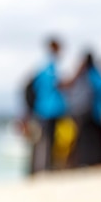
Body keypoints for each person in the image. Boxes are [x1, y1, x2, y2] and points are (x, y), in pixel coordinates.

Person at [63, 52, 101, 168]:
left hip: (86, 112)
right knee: (95, 139)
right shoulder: (95, 74)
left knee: (86, 139)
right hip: (96, 112)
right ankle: (96, 160)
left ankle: (87, 161)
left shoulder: (83, 75)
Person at [28, 37, 67, 175]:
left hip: (44, 108)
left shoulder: (44, 66)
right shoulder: (50, 67)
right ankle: (44, 168)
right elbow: (56, 85)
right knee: (46, 140)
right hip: (48, 109)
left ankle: (44, 168)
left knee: (46, 140)